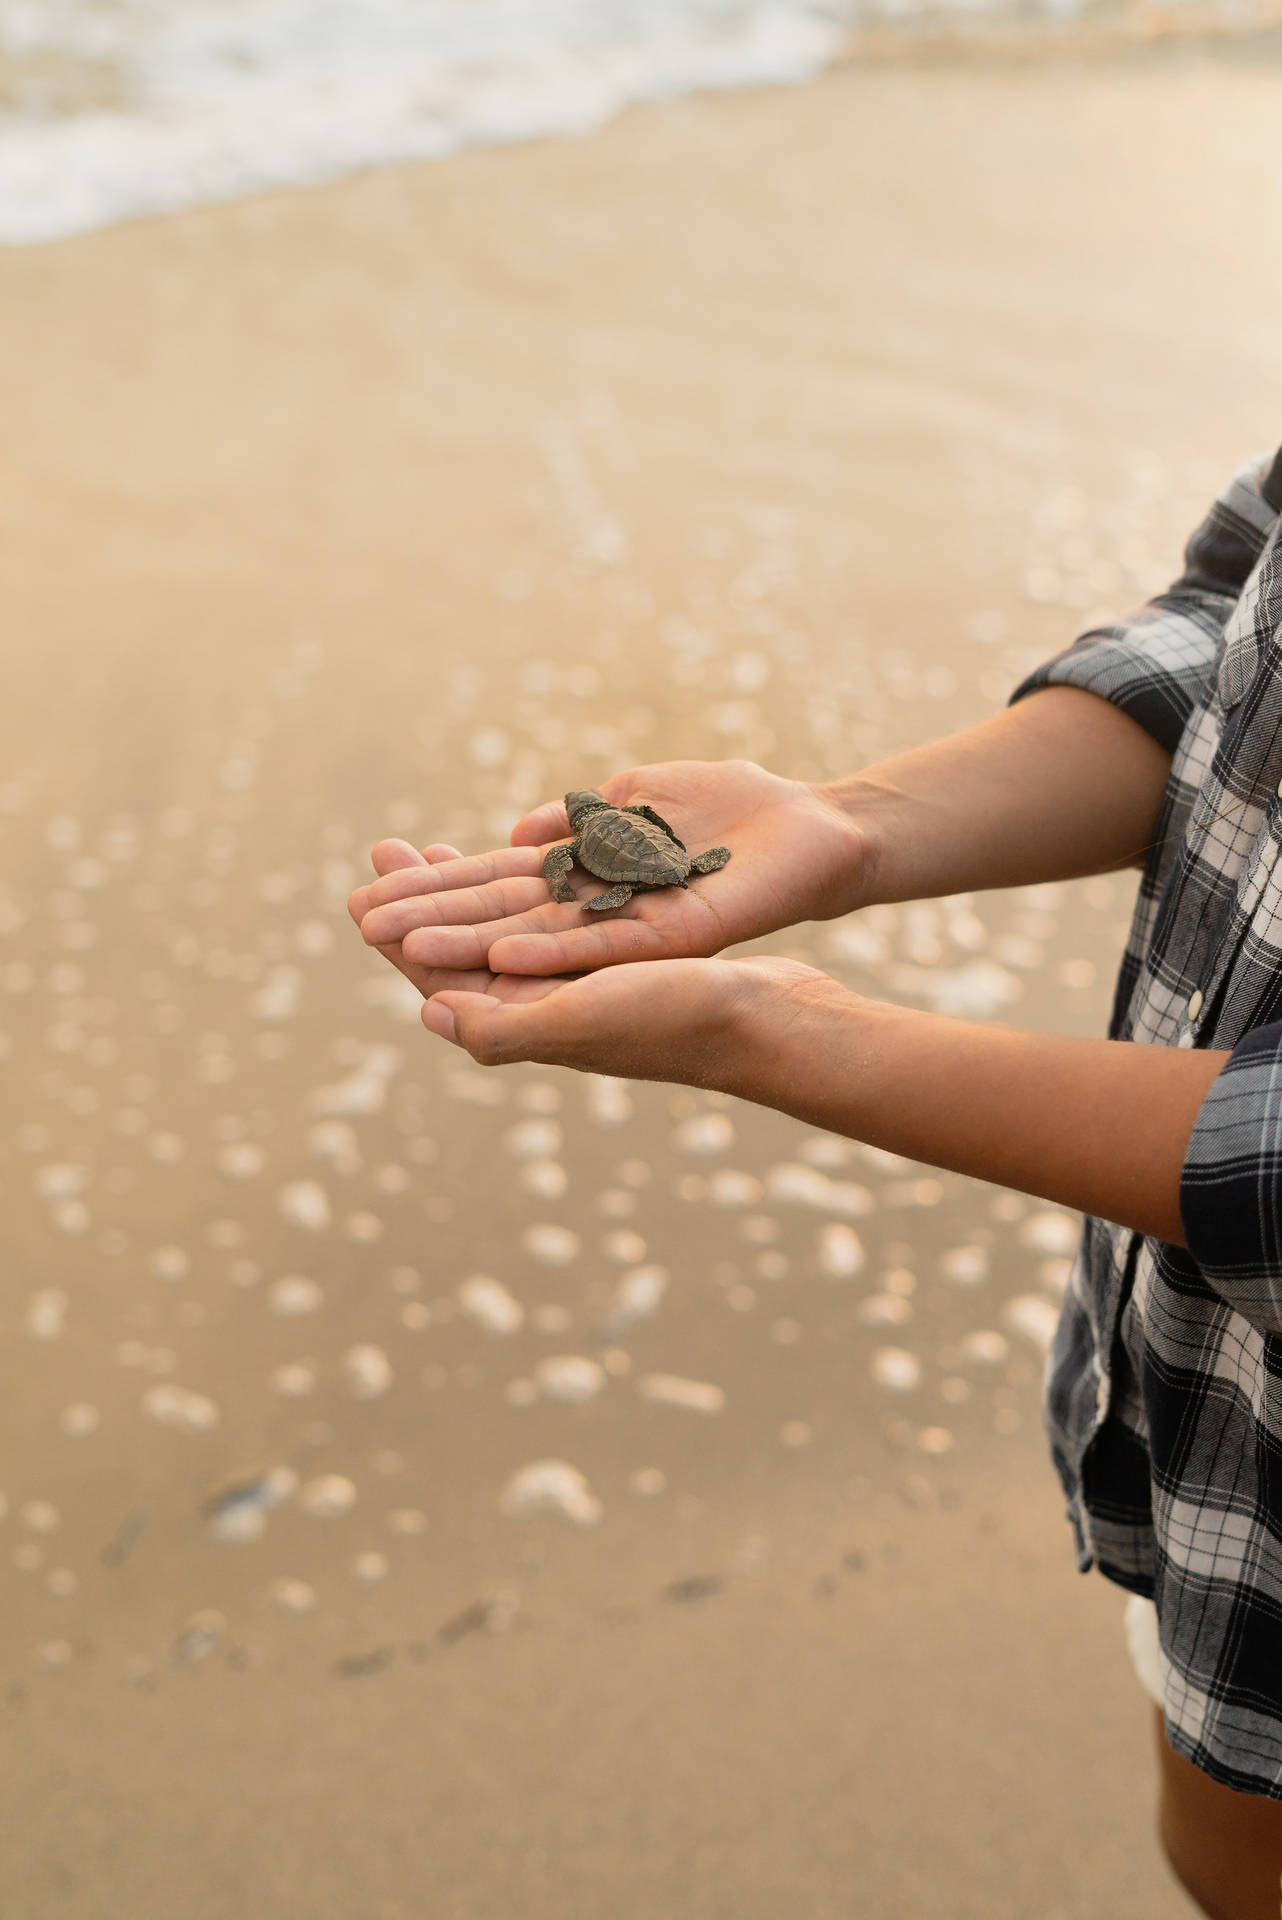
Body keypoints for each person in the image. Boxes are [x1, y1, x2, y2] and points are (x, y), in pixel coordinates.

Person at [349, 447, 1282, 1919]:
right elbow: (1229, 619)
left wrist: (773, 1029)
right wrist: (848, 821)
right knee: (1215, 1832)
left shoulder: (627, 873)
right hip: (1206, 1423)